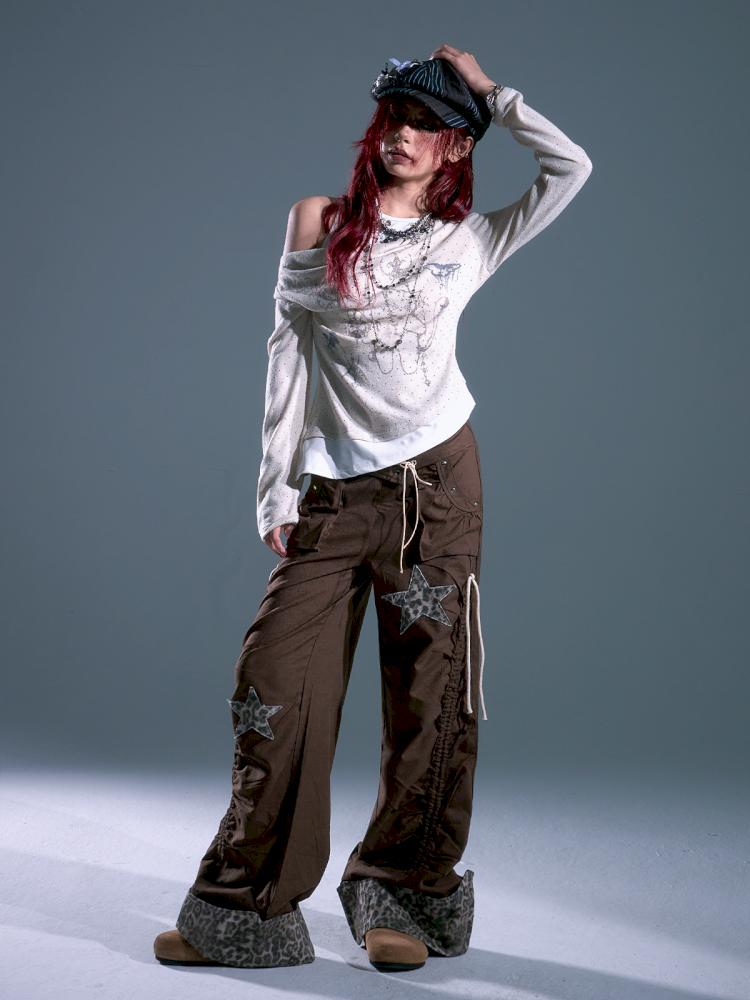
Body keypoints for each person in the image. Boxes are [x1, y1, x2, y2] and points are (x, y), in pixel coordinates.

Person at [154, 44, 591, 973]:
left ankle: (404, 894)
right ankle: (247, 904)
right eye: (398, 116)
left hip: (440, 488)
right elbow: (287, 354)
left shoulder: (470, 241)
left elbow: (571, 167)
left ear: (456, 148)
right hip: (336, 495)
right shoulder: (319, 221)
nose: (405, 134)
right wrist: (276, 487)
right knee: (275, 680)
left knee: (435, 695)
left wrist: (492, 94)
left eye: (430, 124)